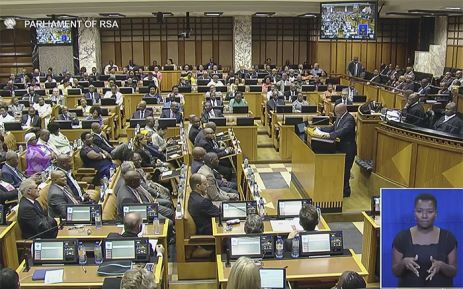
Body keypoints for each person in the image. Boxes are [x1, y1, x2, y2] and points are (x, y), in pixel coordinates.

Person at [392, 193, 457, 287]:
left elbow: (453, 271)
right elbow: (395, 272)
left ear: (436, 213)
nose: (424, 215)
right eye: (419, 211)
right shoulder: (402, 237)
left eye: (430, 211)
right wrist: (403, 263)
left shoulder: (448, 237)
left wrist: (442, 266)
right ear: (414, 213)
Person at [319, 104, 356, 197]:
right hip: (340, 148)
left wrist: (330, 135)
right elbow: (333, 128)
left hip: (348, 149)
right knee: (340, 170)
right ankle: (339, 189)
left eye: (337, 112)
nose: (336, 114)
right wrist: (320, 129)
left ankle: (346, 191)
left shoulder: (349, 119)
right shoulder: (340, 118)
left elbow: (343, 130)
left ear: (342, 111)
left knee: (346, 171)